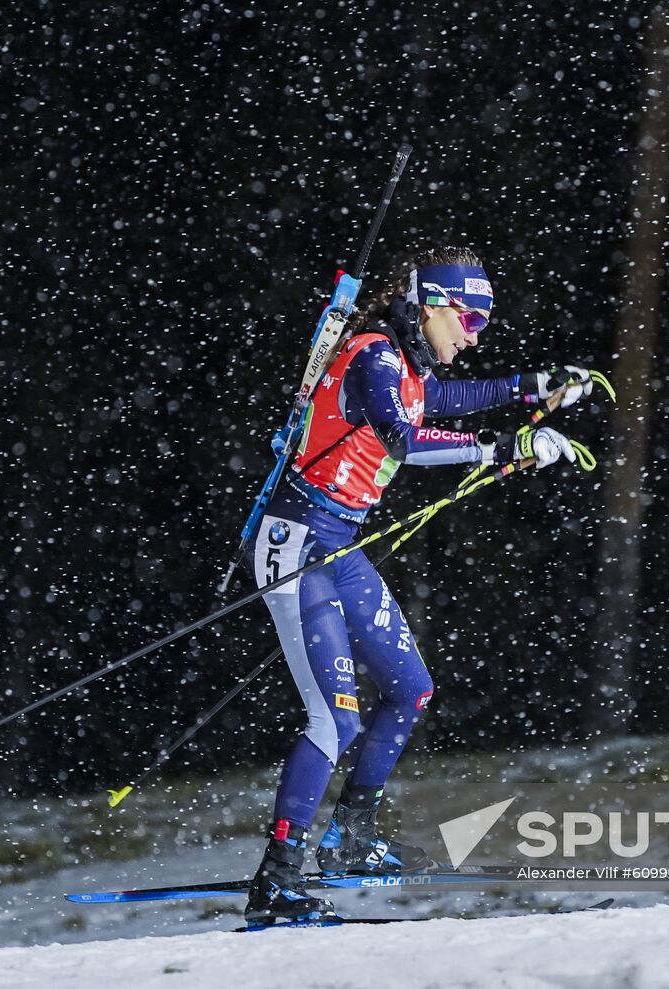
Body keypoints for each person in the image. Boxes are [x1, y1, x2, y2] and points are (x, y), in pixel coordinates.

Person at [244, 246, 592, 924]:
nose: (473, 334)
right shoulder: (375, 353)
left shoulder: (404, 364)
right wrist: (503, 450)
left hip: (337, 544)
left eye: (483, 323)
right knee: (334, 717)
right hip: (295, 540)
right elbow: (403, 437)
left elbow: (449, 397)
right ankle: (277, 881)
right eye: (468, 317)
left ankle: (349, 837)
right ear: (431, 303)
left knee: (411, 688)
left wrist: (536, 383)